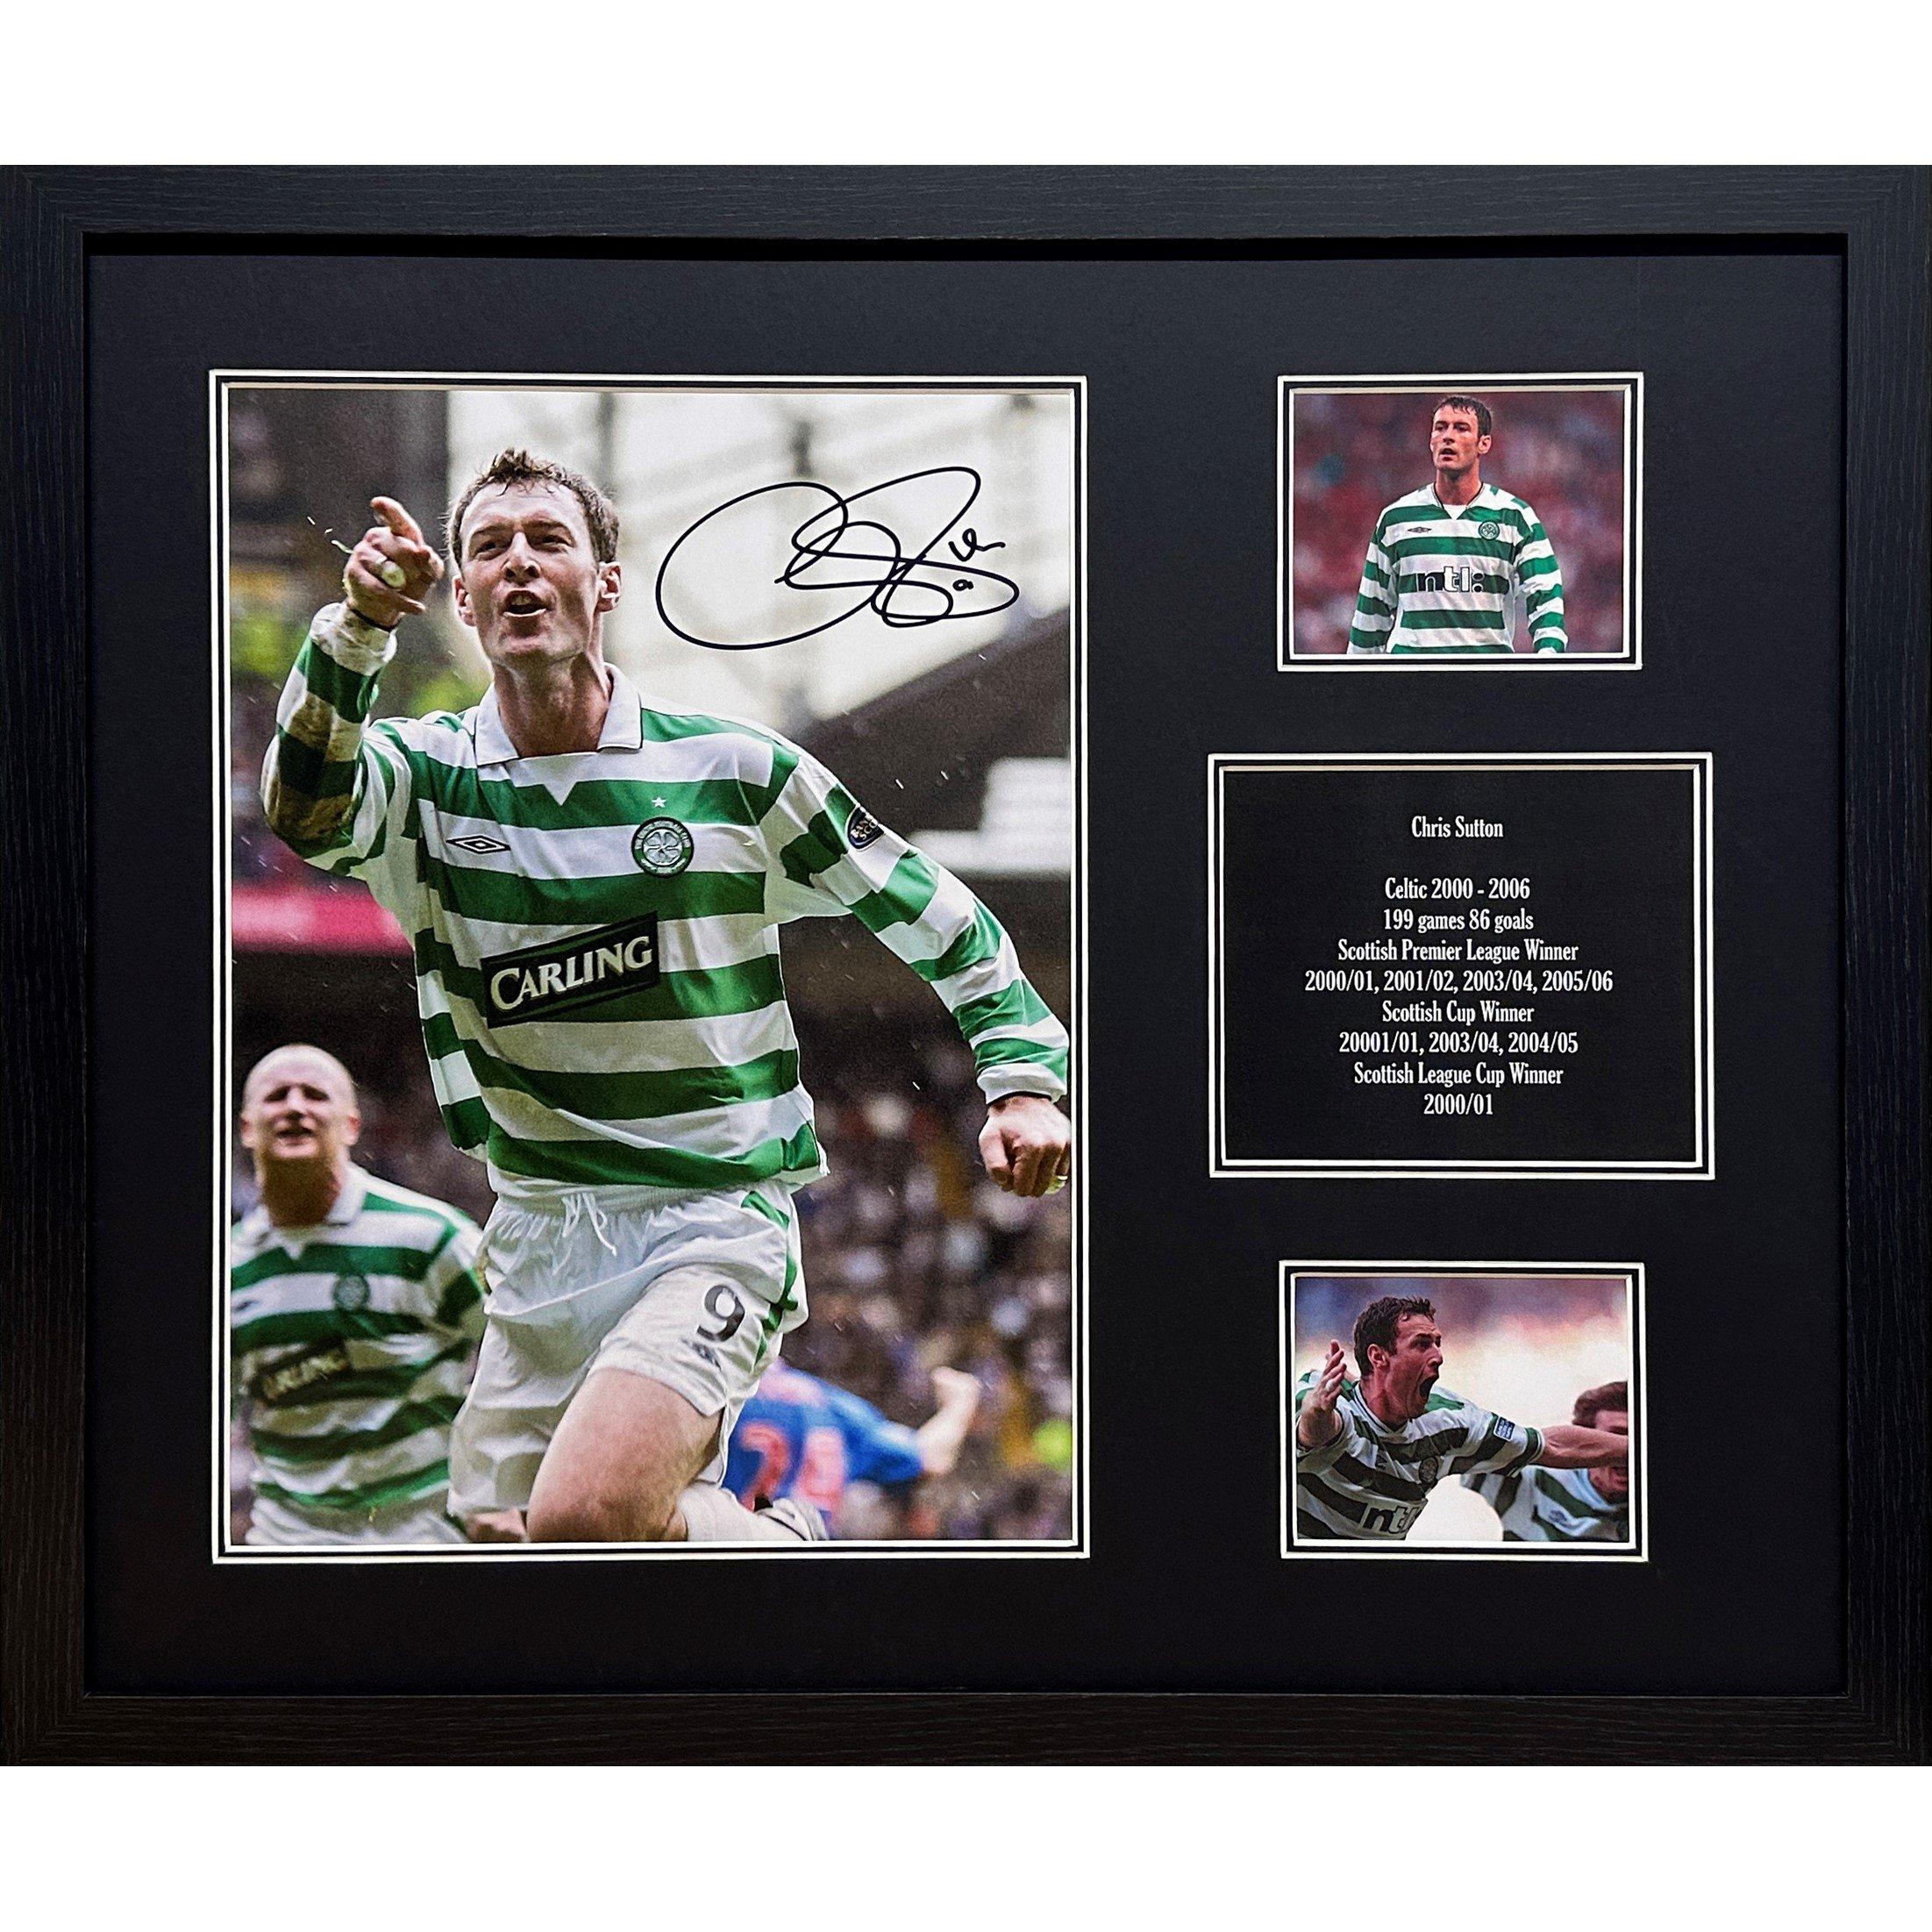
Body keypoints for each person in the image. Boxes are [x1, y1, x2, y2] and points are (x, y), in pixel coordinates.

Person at [260, 449, 1071, 1546]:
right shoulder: (425, 780)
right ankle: (736, 1549)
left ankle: (790, 1543)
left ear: (605, 583)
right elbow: (306, 813)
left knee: (585, 1516)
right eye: (489, 547)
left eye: (548, 540)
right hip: (538, 1230)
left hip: (709, 1216)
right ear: (462, 599)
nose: (518, 563)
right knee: (507, 1545)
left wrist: (1022, 1079)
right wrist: (357, 627)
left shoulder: (730, 770)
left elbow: (930, 906)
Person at [229, 1043, 500, 1546]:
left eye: (315, 1095)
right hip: (289, 1541)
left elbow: (527, 1346)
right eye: (277, 1096)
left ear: (352, 1125)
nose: (295, 1107)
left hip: (424, 1533)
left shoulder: (429, 1237)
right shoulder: (227, 1268)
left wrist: (502, 1484)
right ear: (246, 1127)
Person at [1293, 1294, 1629, 1543]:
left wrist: (1639, 1448)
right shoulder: (1322, 1394)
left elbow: (1549, 1445)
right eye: (1422, 1344)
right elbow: (1318, 1434)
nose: (1438, 1356)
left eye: (1437, 1343)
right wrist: (1316, 1414)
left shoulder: (1451, 1422)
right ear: (1378, 1357)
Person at [1345, 395, 1568, 657]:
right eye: (1440, 428)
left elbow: (1545, 593)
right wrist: (1356, 675)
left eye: (1461, 428)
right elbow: (1372, 611)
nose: (1448, 437)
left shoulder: (1514, 517)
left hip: (1487, 672)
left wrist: (1549, 659)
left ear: (1484, 443)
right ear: (1431, 441)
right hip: (1412, 673)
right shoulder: (1397, 518)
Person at [724, 1362, 982, 1535]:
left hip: (721, 1565)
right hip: (804, 1574)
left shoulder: (717, 1394)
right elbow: (931, 1456)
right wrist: (960, 1403)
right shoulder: (827, 1404)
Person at [1463, 1379, 1631, 1542]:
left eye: (1638, 1436)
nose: (1627, 1452)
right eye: (1617, 1436)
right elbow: (1466, 1448)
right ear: (1587, 1438)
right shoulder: (1534, 1481)